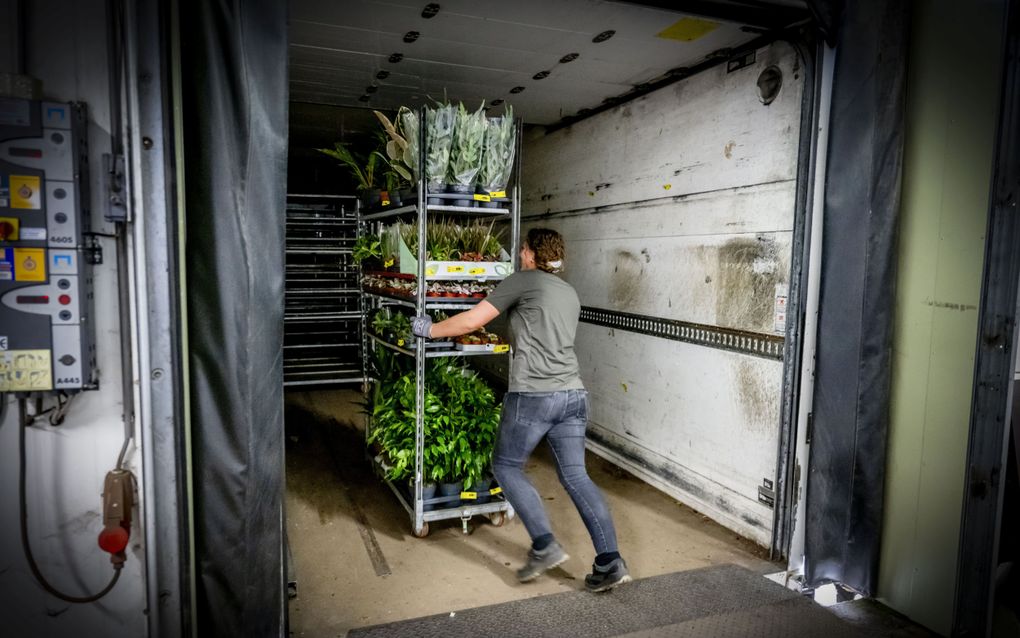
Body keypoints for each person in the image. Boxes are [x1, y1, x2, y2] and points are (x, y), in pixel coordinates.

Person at [411, 227, 631, 592]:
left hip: (534, 395)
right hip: (573, 395)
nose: (519, 253)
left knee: (506, 466)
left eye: (522, 249)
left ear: (530, 254)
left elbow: (471, 322)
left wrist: (428, 329)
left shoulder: (524, 280)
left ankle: (544, 545)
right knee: (576, 476)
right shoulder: (569, 292)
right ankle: (610, 561)